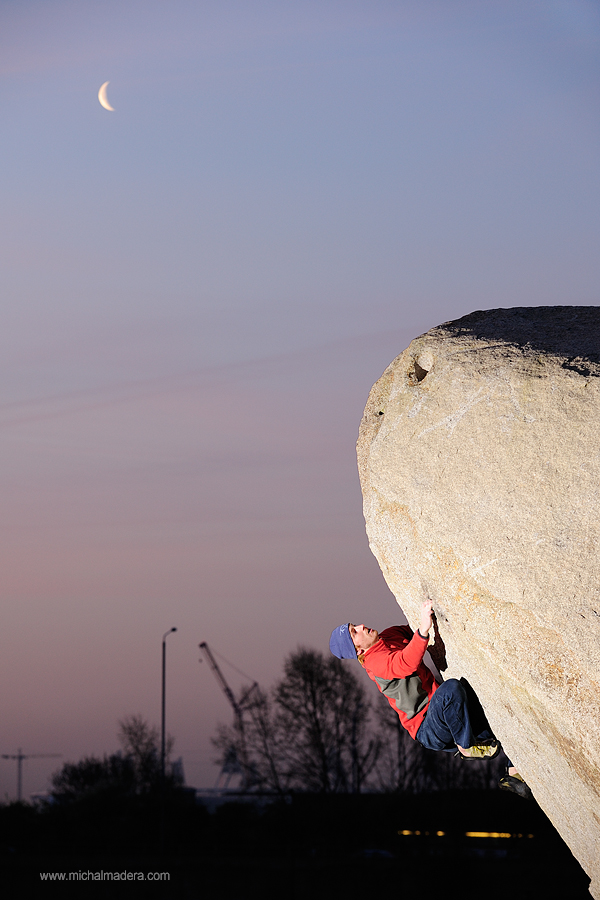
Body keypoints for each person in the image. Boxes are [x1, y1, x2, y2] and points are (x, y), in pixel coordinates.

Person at [329, 600, 531, 798]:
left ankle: (513, 776)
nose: (361, 626)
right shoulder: (375, 662)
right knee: (451, 688)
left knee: (499, 721)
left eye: (354, 625)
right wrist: (423, 630)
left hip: (450, 715)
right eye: (355, 632)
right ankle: (467, 747)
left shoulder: (390, 635)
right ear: (358, 651)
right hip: (429, 727)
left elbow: (411, 628)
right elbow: (405, 662)